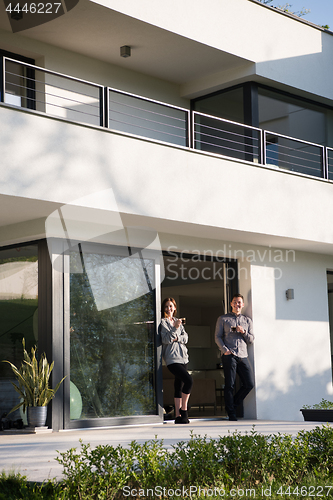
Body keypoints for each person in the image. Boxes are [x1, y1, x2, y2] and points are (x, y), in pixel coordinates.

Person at [215, 294, 254, 421]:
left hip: (243, 355)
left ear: (242, 305)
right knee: (229, 384)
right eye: (235, 302)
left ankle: (232, 406)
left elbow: (251, 340)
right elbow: (217, 337)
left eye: (239, 303)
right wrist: (225, 350)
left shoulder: (247, 321)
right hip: (229, 355)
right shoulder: (223, 319)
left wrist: (243, 332)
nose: (237, 304)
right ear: (231, 304)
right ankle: (231, 414)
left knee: (249, 384)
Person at [160, 297, 193, 424]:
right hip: (172, 359)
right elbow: (166, 340)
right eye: (166, 306)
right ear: (164, 309)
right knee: (189, 380)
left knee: (178, 385)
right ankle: (184, 409)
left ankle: (178, 416)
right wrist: (175, 328)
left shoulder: (177, 321)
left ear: (175, 308)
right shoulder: (163, 323)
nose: (169, 308)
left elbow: (186, 338)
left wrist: (177, 337)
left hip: (183, 357)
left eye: (171, 306)